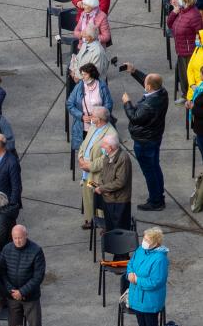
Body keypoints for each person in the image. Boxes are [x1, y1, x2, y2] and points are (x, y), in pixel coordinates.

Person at [121, 65, 168, 211]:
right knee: (155, 167)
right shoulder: (162, 92)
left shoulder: (149, 105)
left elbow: (134, 117)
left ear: (149, 87)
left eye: (146, 84)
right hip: (154, 137)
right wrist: (134, 71)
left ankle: (155, 201)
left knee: (149, 171)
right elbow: (149, 81)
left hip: (145, 141)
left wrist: (127, 103)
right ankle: (158, 196)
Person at [0, 225, 44, 326]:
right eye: (15, 238)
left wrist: (22, 292)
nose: (18, 241)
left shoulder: (36, 251)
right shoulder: (7, 249)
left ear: (26, 236)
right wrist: (11, 290)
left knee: (34, 325)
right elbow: (2, 272)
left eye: (20, 238)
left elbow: (38, 276)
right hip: (12, 296)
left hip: (31, 296)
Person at [125, 226, 169, 326]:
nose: (144, 241)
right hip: (137, 296)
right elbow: (131, 264)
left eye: (147, 240)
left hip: (150, 299)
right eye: (144, 238)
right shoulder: (140, 250)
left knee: (151, 325)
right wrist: (130, 273)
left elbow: (156, 281)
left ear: (156, 243)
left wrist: (137, 280)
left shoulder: (160, 259)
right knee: (142, 324)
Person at [91, 132, 132, 231]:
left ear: (110, 148)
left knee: (118, 230)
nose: (101, 146)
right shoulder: (107, 156)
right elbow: (103, 174)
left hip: (118, 201)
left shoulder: (123, 158)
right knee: (109, 228)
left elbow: (120, 182)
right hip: (107, 198)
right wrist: (100, 186)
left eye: (104, 145)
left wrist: (102, 188)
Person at [66, 64, 112, 151]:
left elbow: (108, 104)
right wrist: (81, 116)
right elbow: (69, 104)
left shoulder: (102, 86)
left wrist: (100, 117)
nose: (82, 77)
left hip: (99, 126)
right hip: (83, 127)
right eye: (82, 74)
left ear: (92, 74)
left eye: (85, 74)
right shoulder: (79, 86)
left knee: (98, 151)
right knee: (85, 151)